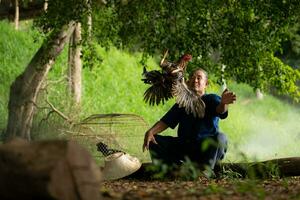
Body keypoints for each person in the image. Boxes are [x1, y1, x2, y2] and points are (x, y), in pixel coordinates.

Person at [142, 68, 236, 171]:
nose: (195, 80)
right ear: (187, 82)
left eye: (199, 78)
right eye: (192, 77)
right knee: (153, 140)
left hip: (206, 150)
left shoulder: (211, 99)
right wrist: (150, 132)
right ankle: (174, 171)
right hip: (185, 147)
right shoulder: (182, 103)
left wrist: (223, 103)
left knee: (221, 137)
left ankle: (205, 172)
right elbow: (166, 122)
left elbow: (220, 110)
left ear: (206, 84)